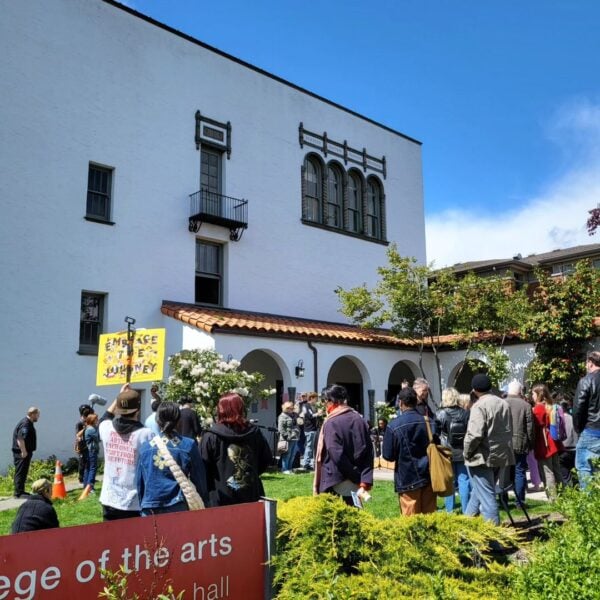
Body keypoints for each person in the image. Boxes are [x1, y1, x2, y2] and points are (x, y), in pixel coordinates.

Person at [201, 393, 272, 507]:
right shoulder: (254, 433)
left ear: (220, 410)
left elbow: (203, 466)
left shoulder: (210, 436)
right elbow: (266, 459)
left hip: (221, 494)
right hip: (248, 493)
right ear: (241, 409)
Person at [137, 402, 208, 515]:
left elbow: (140, 483)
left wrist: (142, 504)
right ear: (178, 420)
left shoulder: (145, 448)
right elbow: (199, 479)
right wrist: (204, 501)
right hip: (177, 504)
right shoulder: (188, 445)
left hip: (150, 506)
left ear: (157, 420)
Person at [463, 374, 514, 525]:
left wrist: (467, 452)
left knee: (487, 498)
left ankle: (494, 540)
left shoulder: (479, 406)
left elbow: (474, 434)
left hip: (482, 457)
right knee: (478, 494)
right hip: (500, 455)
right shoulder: (503, 403)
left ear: (474, 390)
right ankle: (465, 528)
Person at [99, 385, 154, 521]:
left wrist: (119, 397)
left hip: (109, 498)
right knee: (132, 541)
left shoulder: (106, 428)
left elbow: (105, 417)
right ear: (138, 409)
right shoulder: (146, 434)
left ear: (118, 409)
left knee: (109, 540)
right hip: (133, 501)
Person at [313, 385, 373, 506]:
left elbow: (337, 455)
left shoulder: (331, 422)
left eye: (324, 401)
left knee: (332, 519)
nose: (324, 405)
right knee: (356, 518)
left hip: (335, 478)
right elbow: (368, 451)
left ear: (330, 401)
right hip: (355, 478)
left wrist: (355, 476)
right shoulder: (359, 419)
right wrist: (363, 479)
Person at [383, 387, 437, 515]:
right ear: (416, 401)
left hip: (407, 477)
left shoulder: (393, 425)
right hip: (429, 475)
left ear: (400, 403)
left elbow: (388, 455)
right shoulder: (429, 422)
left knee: (411, 524)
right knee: (430, 520)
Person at [435, 387, 471, 513]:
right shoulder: (465, 413)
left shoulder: (440, 414)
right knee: (464, 480)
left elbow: (435, 434)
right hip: (462, 451)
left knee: (449, 481)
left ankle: (449, 511)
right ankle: (467, 510)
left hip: (446, 452)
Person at [531, 383, 564, 500]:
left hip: (544, 443)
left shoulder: (539, 407)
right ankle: (563, 494)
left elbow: (536, 424)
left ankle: (553, 499)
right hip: (553, 441)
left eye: (533, 393)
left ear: (539, 394)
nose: (532, 396)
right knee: (556, 469)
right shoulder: (551, 405)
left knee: (547, 471)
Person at [573, 350, 600, 489]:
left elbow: (578, 408)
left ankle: (589, 508)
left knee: (585, 470)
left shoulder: (586, 381)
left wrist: (578, 429)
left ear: (590, 363)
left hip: (591, 431)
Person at [504, 381, 534, 504]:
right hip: (519, 443)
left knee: (504, 472)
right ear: (520, 391)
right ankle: (520, 501)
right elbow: (530, 428)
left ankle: (503, 500)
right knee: (519, 472)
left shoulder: (501, 403)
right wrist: (530, 443)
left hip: (504, 443)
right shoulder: (525, 406)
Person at [11, 407, 40, 498]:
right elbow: (20, 439)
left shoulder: (27, 423)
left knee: (23, 471)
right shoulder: (25, 424)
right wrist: (23, 451)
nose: (38, 417)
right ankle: (18, 493)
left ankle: (21, 491)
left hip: (24, 452)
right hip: (21, 453)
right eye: (37, 415)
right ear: (32, 414)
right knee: (21, 471)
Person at [559, 399, 578, 487]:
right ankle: (576, 487)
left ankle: (568, 488)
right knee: (574, 471)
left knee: (564, 472)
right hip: (575, 449)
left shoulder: (560, 419)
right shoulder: (573, 418)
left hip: (564, 449)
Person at [300, 392, 321, 470]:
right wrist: (318, 414)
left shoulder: (314, 406)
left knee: (313, 447)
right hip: (309, 429)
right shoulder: (306, 406)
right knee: (309, 446)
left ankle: (312, 463)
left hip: (314, 428)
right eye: (316, 398)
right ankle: (306, 463)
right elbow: (309, 416)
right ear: (311, 398)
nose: (317, 400)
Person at [278, 401, 301, 474]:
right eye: (291, 408)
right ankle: (284, 469)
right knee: (287, 454)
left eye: (292, 408)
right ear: (286, 408)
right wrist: (287, 436)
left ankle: (290, 468)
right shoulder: (282, 416)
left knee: (293, 454)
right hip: (287, 438)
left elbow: (299, 422)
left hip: (295, 437)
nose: (292, 409)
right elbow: (281, 428)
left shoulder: (293, 415)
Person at [75, 404, 93, 485]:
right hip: (82, 446)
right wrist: (85, 428)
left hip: (88, 445)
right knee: (82, 463)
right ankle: (81, 479)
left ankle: (88, 477)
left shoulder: (88, 423)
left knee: (88, 462)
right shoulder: (79, 424)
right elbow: (78, 435)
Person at [83, 413, 100, 491]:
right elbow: (98, 438)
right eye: (96, 419)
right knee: (93, 468)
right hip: (92, 450)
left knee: (88, 468)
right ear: (93, 420)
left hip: (89, 451)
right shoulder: (91, 429)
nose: (98, 420)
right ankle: (90, 487)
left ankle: (86, 486)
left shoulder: (89, 428)